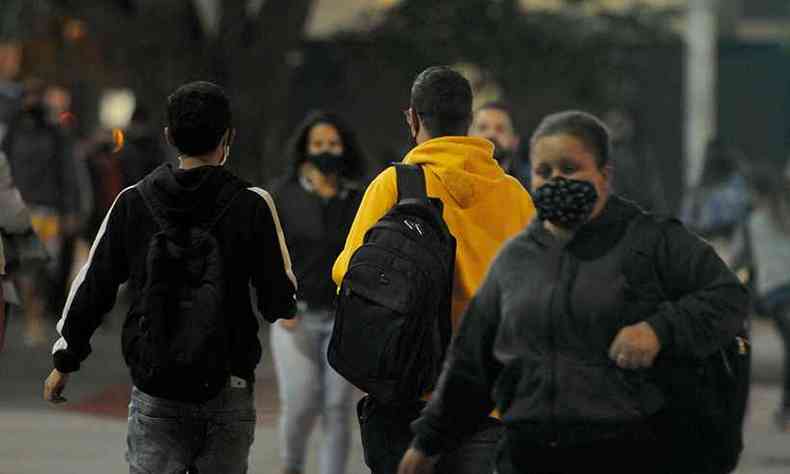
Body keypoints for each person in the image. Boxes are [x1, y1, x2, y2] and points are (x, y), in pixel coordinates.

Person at [398, 111, 749, 474]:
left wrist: (660, 330)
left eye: (570, 169)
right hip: (527, 454)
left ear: (604, 175)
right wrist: (427, 443)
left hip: (627, 452)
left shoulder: (652, 241)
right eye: (544, 172)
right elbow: (472, 362)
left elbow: (727, 297)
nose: (556, 181)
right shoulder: (516, 258)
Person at [42, 81, 298, 473]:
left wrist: (66, 359)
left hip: (157, 385)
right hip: (228, 384)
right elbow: (278, 300)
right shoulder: (252, 203)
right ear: (228, 136)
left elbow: (94, 285)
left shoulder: (134, 200)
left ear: (168, 136)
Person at [332, 66, 535, 474]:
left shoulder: (395, 185)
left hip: (407, 395)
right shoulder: (515, 195)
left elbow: (346, 274)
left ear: (413, 118)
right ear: (468, 121)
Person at [269, 110, 366, 474]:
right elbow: (267, 253)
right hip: (296, 316)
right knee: (300, 401)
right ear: (305, 149)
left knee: (338, 407)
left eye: (334, 143)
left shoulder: (359, 197)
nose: (327, 150)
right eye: (318, 144)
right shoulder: (284, 194)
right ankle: (291, 465)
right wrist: (279, 303)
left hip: (343, 318)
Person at [2, 79, 82, 345]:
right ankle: (31, 319)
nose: (33, 101)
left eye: (38, 96)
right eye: (30, 96)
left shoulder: (56, 133)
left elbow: (67, 173)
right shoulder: (13, 132)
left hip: (49, 210)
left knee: (47, 267)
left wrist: (70, 210)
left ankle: (36, 313)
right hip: (21, 209)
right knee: (26, 268)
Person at [746, 165, 790, 431]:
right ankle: (785, 409)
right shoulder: (781, 217)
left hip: (773, 293)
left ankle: (785, 409)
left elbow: (745, 260)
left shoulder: (753, 220)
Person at [469, 101, 528, 187]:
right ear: (468, 135)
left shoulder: (528, 188)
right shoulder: (451, 180)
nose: (491, 134)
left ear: (515, 141)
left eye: (500, 129)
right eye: (482, 128)